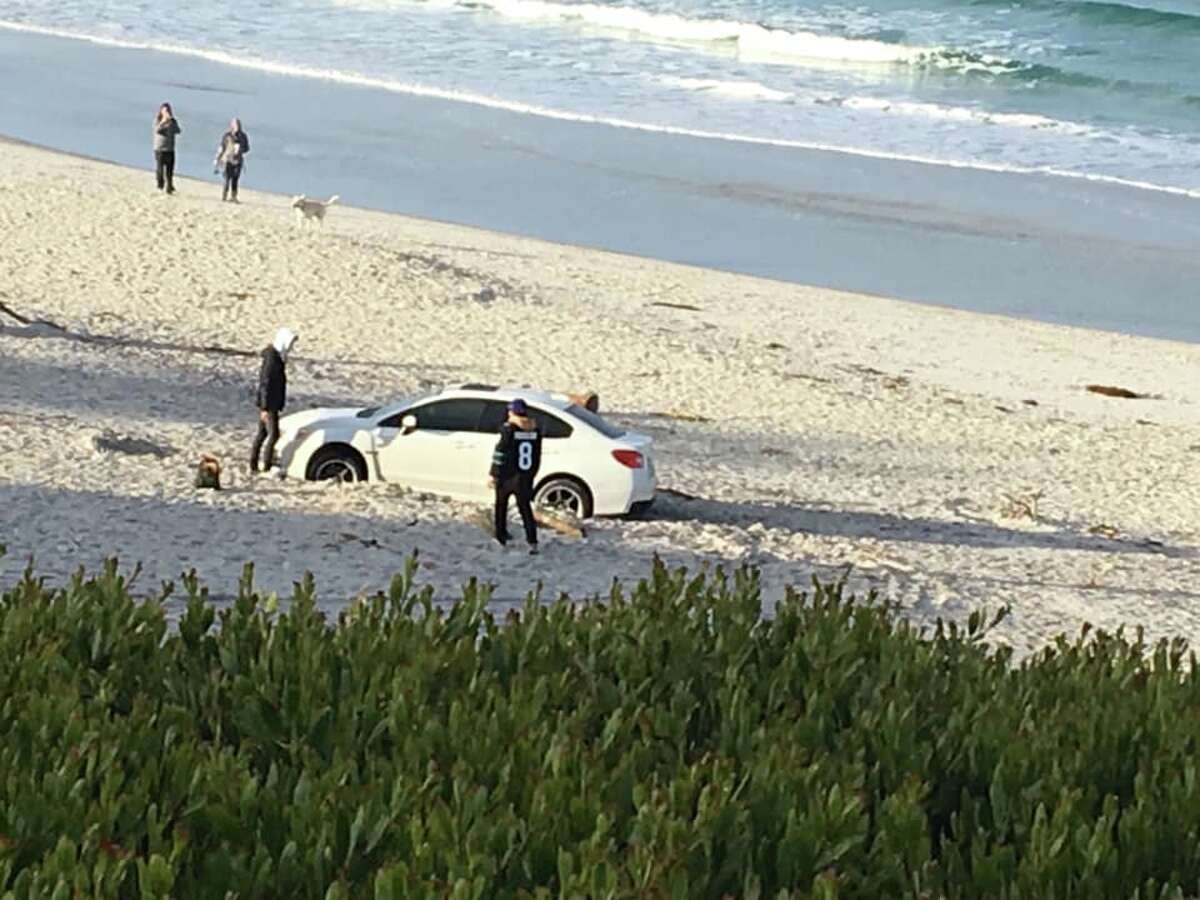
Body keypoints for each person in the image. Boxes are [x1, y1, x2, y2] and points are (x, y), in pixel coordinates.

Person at [489, 398, 543, 554]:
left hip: (508, 475)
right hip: (525, 476)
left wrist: (494, 473)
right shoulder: (535, 430)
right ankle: (532, 541)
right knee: (525, 509)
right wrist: (532, 474)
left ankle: (501, 536)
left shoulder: (509, 429)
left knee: (501, 505)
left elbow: (500, 452)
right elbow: (537, 456)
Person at [250, 327, 298, 476]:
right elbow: (265, 383)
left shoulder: (276, 357)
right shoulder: (272, 359)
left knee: (263, 434)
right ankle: (266, 465)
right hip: (270, 404)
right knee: (273, 434)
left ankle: (254, 464)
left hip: (272, 403)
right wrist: (264, 408)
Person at [213, 118, 250, 202]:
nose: (237, 127)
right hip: (227, 160)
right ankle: (224, 196)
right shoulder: (227, 136)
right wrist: (217, 158)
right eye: (235, 125)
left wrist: (241, 149)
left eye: (238, 125)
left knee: (235, 179)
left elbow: (247, 148)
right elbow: (222, 147)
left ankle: (233, 196)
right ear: (231, 125)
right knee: (227, 179)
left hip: (238, 161)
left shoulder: (243, 136)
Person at [153, 103, 182, 194]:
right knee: (160, 169)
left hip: (170, 149)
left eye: (168, 110)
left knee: (170, 170)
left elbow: (178, 131)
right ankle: (160, 183)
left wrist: (172, 122)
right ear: (161, 111)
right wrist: (163, 121)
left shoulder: (173, 121)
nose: (167, 112)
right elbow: (157, 130)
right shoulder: (158, 120)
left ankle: (169, 187)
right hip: (160, 149)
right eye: (165, 110)